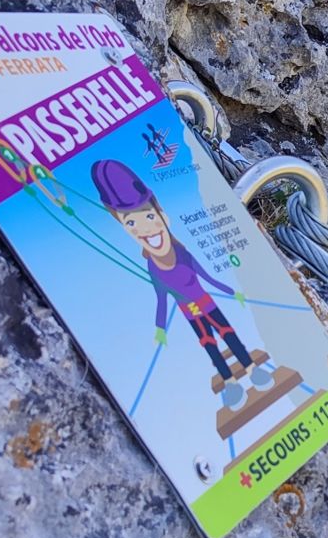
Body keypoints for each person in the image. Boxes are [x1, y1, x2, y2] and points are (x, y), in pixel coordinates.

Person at [91, 159, 273, 409]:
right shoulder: (153, 267)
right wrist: (160, 328)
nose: (144, 227)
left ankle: (252, 369)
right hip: (192, 313)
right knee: (210, 345)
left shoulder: (182, 252)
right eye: (130, 223)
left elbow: (206, 276)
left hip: (206, 303)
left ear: (162, 215)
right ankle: (230, 383)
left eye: (148, 216)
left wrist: (230, 291)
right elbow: (162, 300)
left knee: (228, 334)